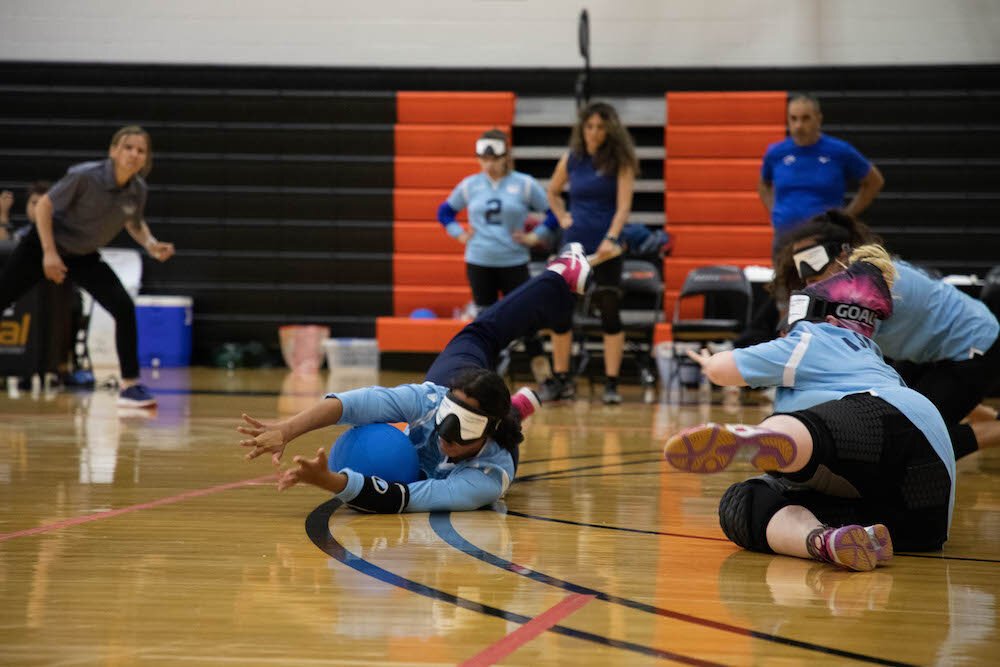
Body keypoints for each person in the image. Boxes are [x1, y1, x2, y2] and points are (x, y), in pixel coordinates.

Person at [236, 245, 593, 513]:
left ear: (485, 433)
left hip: (495, 435)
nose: (446, 435)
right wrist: (288, 430)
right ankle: (560, 275)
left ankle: (514, 409)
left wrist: (329, 481)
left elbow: (404, 499)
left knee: (503, 422)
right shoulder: (431, 401)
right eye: (445, 420)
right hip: (455, 387)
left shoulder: (486, 476)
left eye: (463, 428)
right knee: (480, 333)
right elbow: (355, 404)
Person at [665, 245, 955, 572]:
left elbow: (722, 369)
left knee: (807, 434)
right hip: (920, 508)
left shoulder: (812, 337)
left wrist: (709, 361)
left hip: (876, 417)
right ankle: (826, 541)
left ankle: (762, 437)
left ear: (822, 314)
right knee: (747, 497)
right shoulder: (875, 357)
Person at [771, 209, 1000, 456]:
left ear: (842, 254)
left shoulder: (866, 288)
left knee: (916, 442)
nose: (808, 280)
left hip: (975, 345)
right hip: (931, 349)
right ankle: (977, 411)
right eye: (802, 267)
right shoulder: (857, 276)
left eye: (814, 263)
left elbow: (842, 361)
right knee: (890, 414)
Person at [0, 126, 175, 407]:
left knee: (123, 307)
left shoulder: (137, 190)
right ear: (113, 151)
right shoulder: (85, 176)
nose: (134, 154)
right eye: (128, 147)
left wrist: (152, 245)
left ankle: (129, 386)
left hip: (82, 255)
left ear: (146, 159)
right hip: (44, 244)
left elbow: (134, 223)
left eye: (141, 150)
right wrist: (49, 254)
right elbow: (44, 206)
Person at [437, 128, 555, 381]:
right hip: (479, 262)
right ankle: (484, 378)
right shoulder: (470, 185)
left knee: (527, 319)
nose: (489, 165)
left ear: (505, 156)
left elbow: (553, 213)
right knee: (485, 321)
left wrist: (536, 237)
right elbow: (444, 212)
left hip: (514, 261)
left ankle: (545, 378)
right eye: (484, 159)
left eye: (494, 159)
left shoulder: (524, 184)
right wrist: (459, 233)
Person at [542, 101, 638, 404]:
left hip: (607, 248)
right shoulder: (572, 158)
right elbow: (552, 191)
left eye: (600, 127)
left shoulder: (620, 161)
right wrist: (562, 217)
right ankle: (561, 379)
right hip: (574, 246)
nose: (594, 132)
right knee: (560, 311)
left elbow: (623, 206)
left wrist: (611, 237)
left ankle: (611, 383)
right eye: (589, 126)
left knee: (609, 308)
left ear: (611, 130)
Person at [758, 94, 884, 249]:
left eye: (805, 118)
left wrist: (847, 215)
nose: (798, 125)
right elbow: (763, 185)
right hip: (785, 239)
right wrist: (775, 212)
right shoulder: (776, 152)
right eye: (793, 118)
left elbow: (874, 181)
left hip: (826, 240)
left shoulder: (839, 151)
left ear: (818, 119)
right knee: (784, 273)